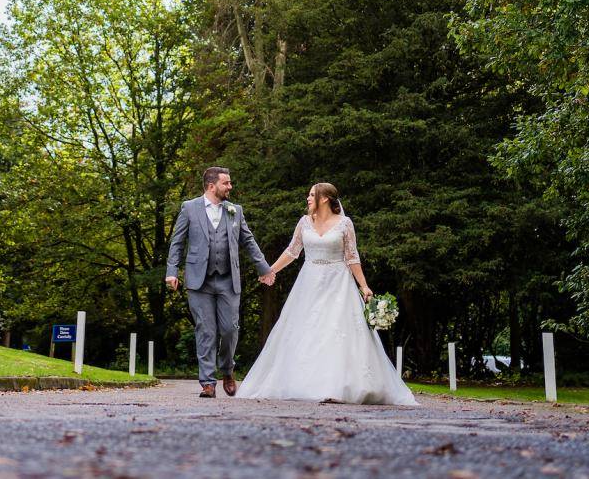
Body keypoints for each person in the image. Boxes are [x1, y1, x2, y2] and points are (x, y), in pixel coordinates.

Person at [236, 182, 417, 405]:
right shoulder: (304, 223)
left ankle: (337, 386)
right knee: (306, 331)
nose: (308, 198)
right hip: (309, 283)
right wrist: (270, 270)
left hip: (339, 284)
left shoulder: (344, 224)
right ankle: (306, 384)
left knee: (336, 331)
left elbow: (352, 257)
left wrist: (364, 286)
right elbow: (292, 252)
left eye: (312, 195)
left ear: (324, 199)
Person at [165, 167, 275, 398]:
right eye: (226, 183)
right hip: (199, 281)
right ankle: (207, 382)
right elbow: (177, 243)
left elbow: (249, 240)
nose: (230, 187)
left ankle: (227, 369)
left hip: (228, 280)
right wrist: (172, 271)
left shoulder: (235, 211)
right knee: (205, 330)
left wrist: (264, 268)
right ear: (211, 186)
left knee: (229, 330)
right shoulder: (189, 208)